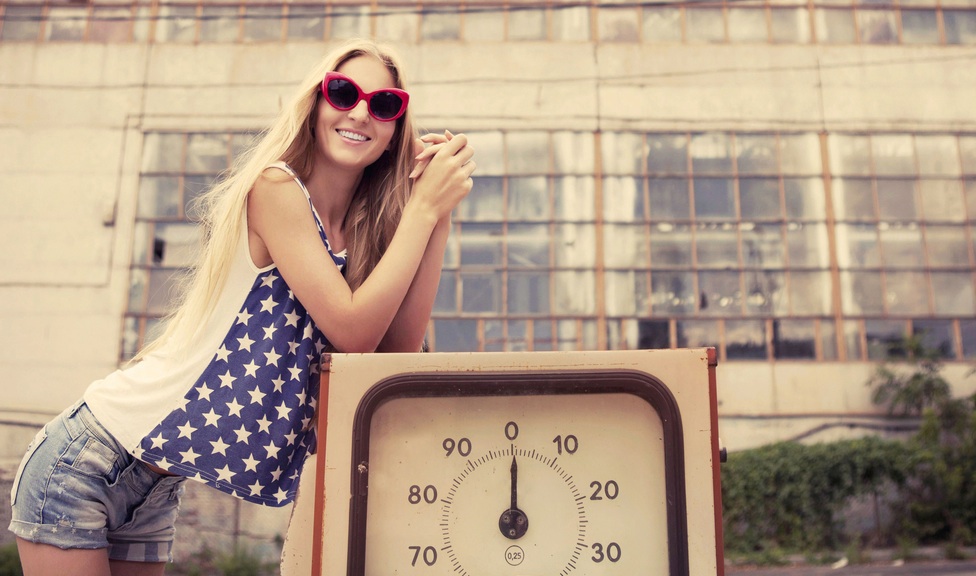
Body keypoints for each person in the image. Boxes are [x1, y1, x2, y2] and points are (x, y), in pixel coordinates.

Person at [8, 38, 475, 576]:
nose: (360, 112)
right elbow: (353, 331)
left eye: (385, 104)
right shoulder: (276, 190)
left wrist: (436, 214)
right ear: (317, 103)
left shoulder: (362, 240)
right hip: (87, 462)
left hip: (155, 486)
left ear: (396, 131)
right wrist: (421, 209)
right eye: (343, 92)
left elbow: (390, 355)